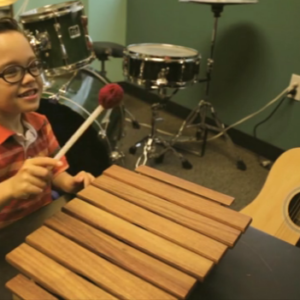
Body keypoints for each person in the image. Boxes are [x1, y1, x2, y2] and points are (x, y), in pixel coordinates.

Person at [0, 17, 95, 229]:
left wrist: (69, 183)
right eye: (11, 71)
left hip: (42, 220)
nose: (29, 78)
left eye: (33, 66)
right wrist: (10, 188)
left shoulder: (40, 123)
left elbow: (53, 168)